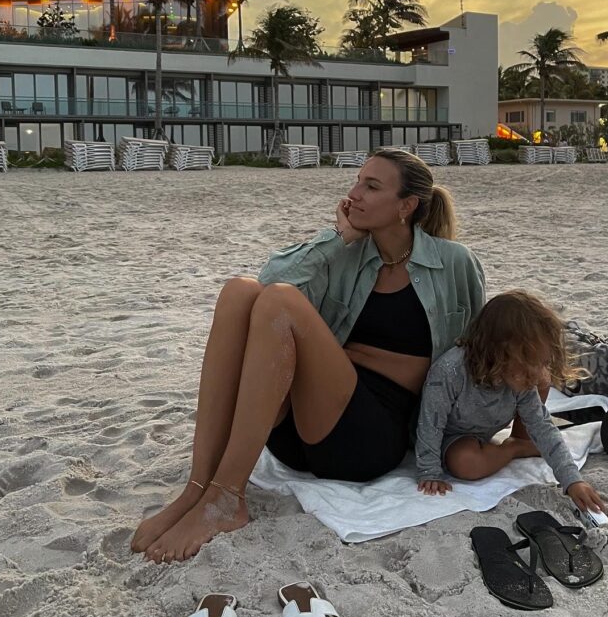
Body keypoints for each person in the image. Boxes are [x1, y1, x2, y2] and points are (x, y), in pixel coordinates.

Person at [131, 149, 486, 562]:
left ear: (407, 205)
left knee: (284, 303)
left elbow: (469, 357)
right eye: (356, 182)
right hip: (297, 434)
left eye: (371, 186)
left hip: (369, 438)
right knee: (239, 291)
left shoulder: (453, 263)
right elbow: (266, 286)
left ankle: (227, 499)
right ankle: (199, 487)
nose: (354, 194)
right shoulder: (347, 254)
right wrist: (337, 240)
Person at [415, 290, 605, 517]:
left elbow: (542, 426)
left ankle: (521, 441)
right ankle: (514, 448)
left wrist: (573, 480)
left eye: (541, 362)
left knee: (542, 382)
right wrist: (429, 470)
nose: (534, 373)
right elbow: (430, 422)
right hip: (453, 436)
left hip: (487, 430)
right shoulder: (450, 371)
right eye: (528, 364)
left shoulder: (520, 380)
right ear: (498, 351)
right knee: (465, 462)